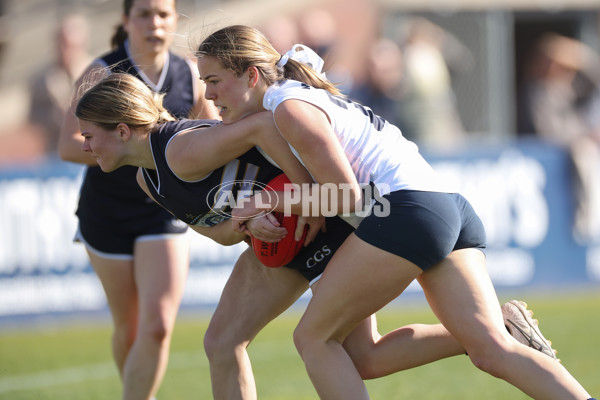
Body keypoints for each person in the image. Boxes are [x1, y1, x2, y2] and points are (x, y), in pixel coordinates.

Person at [76, 72, 560, 400]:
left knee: (282, 341)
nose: (83, 144)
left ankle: (494, 330)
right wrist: (248, 220)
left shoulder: (183, 149)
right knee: (349, 356)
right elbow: (221, 234)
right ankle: (498, 326)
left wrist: (291, 197)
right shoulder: (148, 178)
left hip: (326, 223)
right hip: (286, 236)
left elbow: (266, 127)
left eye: (89, 133)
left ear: (121, 129)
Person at [196, 25, 595, 399]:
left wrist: (270, 201)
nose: (209, 96)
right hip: (446, 207)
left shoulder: (288, 108)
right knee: (490, 348)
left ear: (251, 76)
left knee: (313, 339)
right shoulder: (294, 98)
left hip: (405, 210)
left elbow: (344, 198)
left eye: (214, 81)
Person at [57, 1, 218, 399]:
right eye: (144, 13)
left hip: (164, 210)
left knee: (158, 325)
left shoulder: (187, 74)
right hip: (106, 214)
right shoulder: (99, 71)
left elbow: (213, 135)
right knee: (128, 328)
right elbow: (67, 145)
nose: (155, 23)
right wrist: (127, 148)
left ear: (174, 20)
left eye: (163, 14)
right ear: (126, 21)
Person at [29, 13, 92, 156]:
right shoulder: (41, 80)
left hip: (91, 151)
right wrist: (56, 117)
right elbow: (33, 119)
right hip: (55, 152)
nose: (65, 50)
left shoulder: (97, 74)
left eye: (71, 45)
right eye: (62, 43)